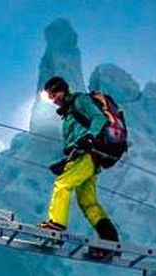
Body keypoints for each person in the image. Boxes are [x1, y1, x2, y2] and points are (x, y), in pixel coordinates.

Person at [40, 76, 120, 258]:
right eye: (51, 96)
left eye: (56, 93)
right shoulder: (68, 114)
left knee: (63, 184)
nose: (54, 98)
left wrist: (91, 136)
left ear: (63, 89)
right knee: (88, 202)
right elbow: (75, 141)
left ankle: (56, 225)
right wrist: (63, 162)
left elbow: (99, 118)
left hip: (88, 155)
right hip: (81, 157)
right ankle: (110, 240)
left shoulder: (80, 100)